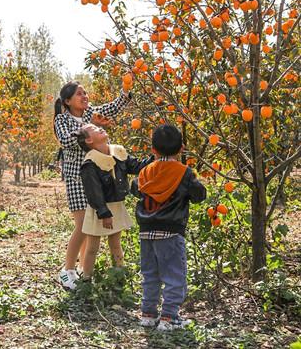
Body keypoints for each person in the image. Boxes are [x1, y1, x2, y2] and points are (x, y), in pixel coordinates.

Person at [54, 81, 131, 290]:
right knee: (81, 226)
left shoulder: (91, 113)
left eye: (85, 92)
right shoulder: (62, 119)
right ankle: (67, 269)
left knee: (90, 228)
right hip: (77, 178)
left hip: (98, 178)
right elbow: (66, 141)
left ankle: (81, 268)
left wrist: (125, 90)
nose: (85, 96)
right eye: (80, 94)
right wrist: (89, 128)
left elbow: (112, 108)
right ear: (68, 101)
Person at [131, 124, 206, 331]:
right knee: (174, 275)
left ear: (153, 150)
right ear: (181, 148)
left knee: (150, 273)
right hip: (171, 232)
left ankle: (148, 313)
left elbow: (135, 189)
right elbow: (198, 194)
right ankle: (169, 317)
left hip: (146, 232)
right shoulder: (183, 173)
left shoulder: (146, 172)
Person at [76, 124, 152, 280]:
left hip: (116, 205)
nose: (100, 128)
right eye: (95, 129)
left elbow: (137, 166)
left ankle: (119, 272)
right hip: (100, 209)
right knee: (92, 247)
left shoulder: (118, 152)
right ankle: (86, 278)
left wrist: (155, 158)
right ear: (89, 140)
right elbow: (93, 192)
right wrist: (103, 213)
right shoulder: (90, 163)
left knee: (115, 243)